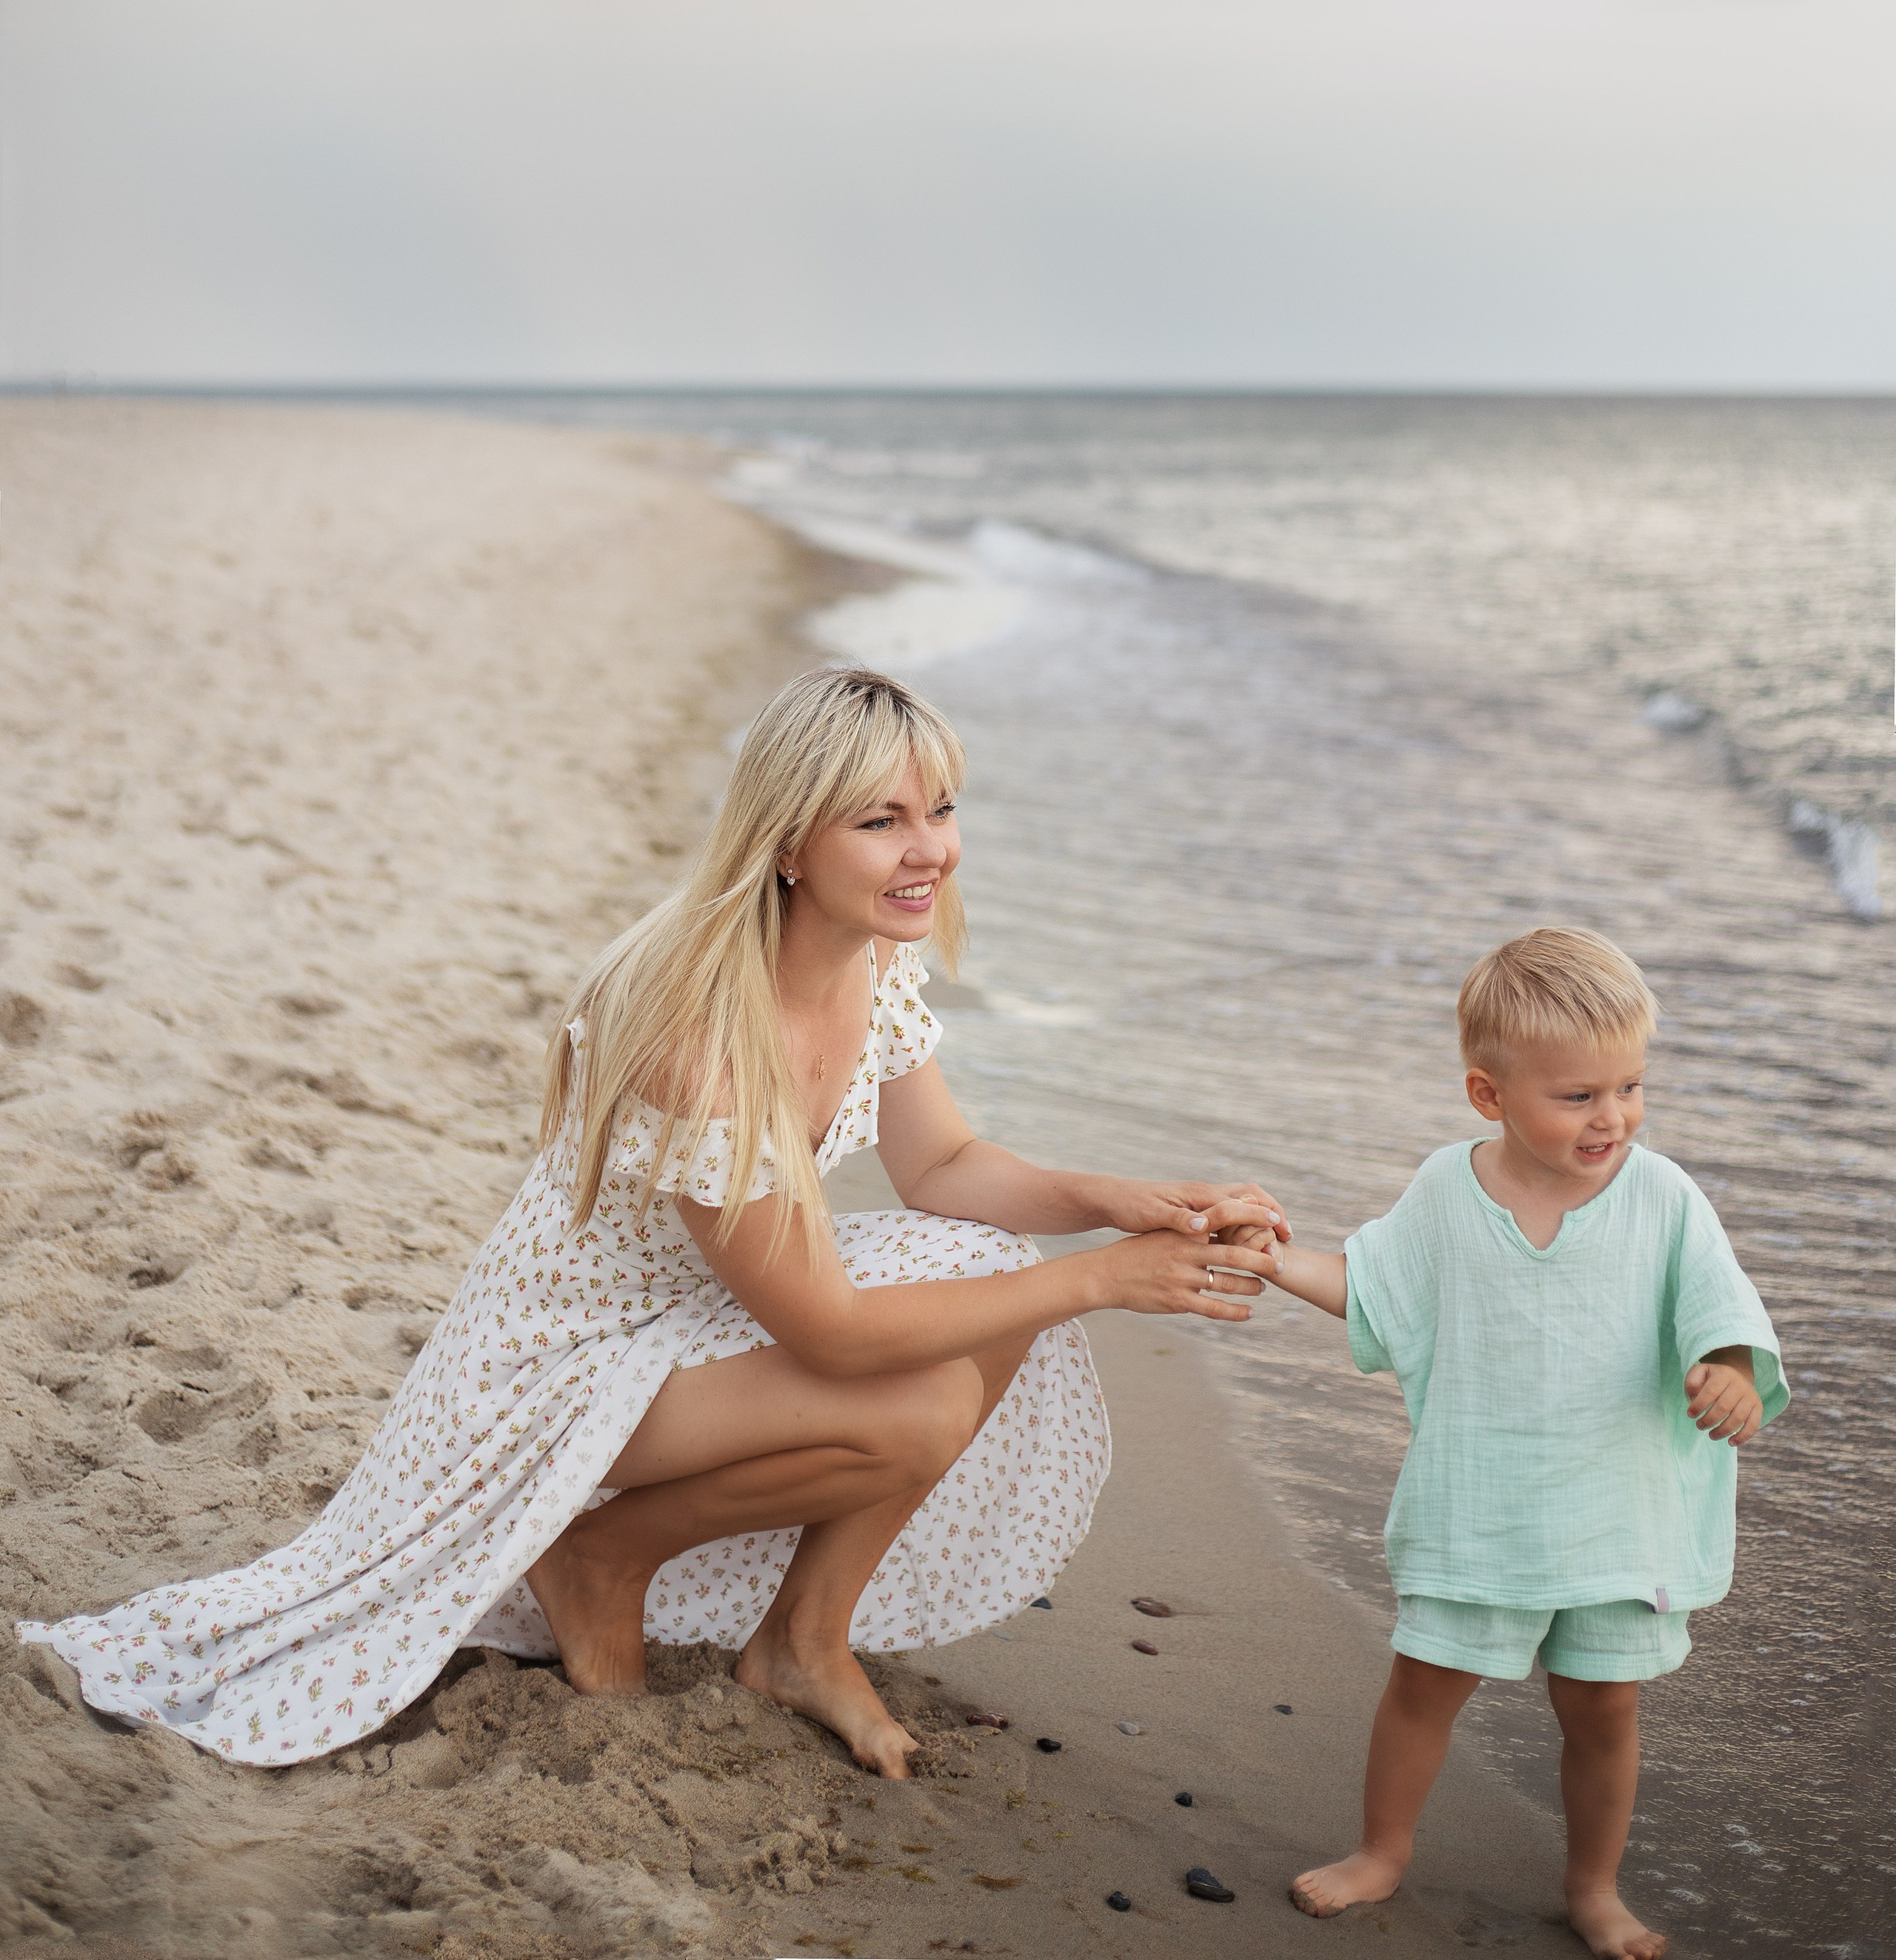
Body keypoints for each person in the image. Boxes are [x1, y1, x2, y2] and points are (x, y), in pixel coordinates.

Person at [21, 666, 1284, 1778]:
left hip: (699, 1316)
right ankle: (599, 1563)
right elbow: (840, 1336)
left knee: (991, 1268)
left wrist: (1114, 1201)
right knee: (920, 1397)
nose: (930, 851)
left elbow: (943, 1164)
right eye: (882, 820)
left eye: (940, 810)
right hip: (556, 1365)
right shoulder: (696, 1031)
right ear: (789, 842)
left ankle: (803, 1641)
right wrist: (1108, 1280)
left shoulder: (870, 955)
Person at [1239, 926, 1786, 1960]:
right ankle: (1382, 1852)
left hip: (1613, 1515)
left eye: (1629, 1087)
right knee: (1424, 1685)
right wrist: (1281, 1262)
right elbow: (1377, 1291)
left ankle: (1593, 1889)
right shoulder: (1450, 1189)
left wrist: (1729, 1372)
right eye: (1577, 1096)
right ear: (1488, 1096)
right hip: (1480, 1499)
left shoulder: (1664, 1198)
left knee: (1603, 1710)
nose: (1611, 1117)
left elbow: (1722, 1316)